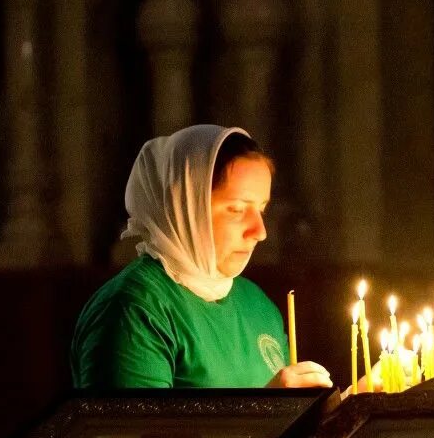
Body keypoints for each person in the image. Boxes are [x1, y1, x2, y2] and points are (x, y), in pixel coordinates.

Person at [72, 124, 333, 390]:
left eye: (261, 210)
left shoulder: (258, 306)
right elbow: (137, 432)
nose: (260, 232)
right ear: (185, 206)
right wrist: (268, 410)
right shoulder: (134, 310)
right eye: (236, 209)